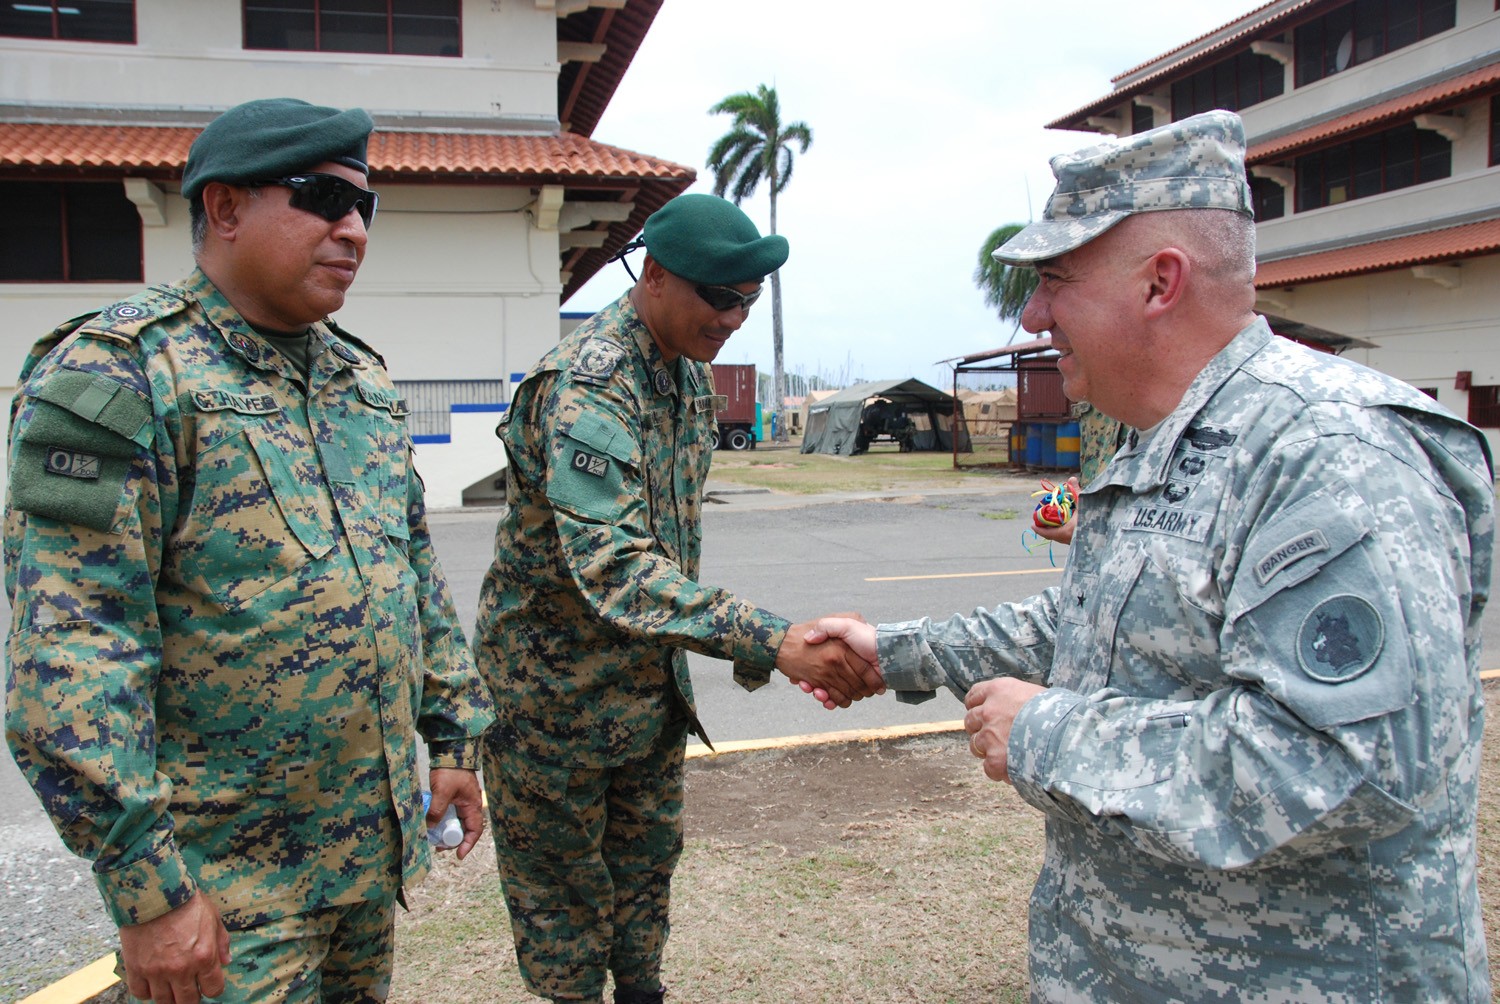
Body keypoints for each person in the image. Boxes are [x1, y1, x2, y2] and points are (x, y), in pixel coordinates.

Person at [809, 110, 1493, 1001]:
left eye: (1056, 279)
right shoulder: (1163, 439)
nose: (1033, 313)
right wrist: (897, 651)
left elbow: (1349, 764)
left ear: (1159, 282)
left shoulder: (1333, 453)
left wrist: (1051, 733)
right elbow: (1095, 620)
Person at [4, 98, 495, 1003]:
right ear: (224, 209)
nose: (352, 230)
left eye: (364, 209)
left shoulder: (360, 382)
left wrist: (454, 737)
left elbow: (411, 573)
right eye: (320, 198)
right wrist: (150, 895)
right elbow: (75, 656)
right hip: (224, 897)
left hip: (359, 868)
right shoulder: (123, 374)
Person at [473, 193, 883, 1004]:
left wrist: (749, 649)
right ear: (654, 275)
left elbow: (672, 552)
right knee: (566, 919)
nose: (733, 317)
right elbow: (617, 567)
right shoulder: (590, 386)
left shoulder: (686, 382)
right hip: (553, 708)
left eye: (748, 300)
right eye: (717, 296)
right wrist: (770, 640)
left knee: (644, 890)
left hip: (646, 697)